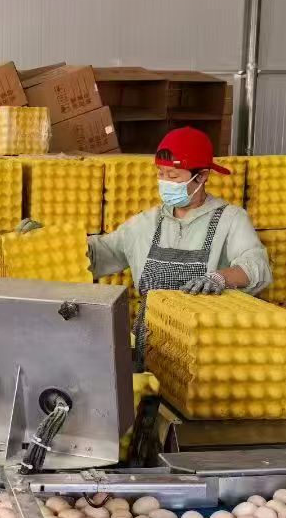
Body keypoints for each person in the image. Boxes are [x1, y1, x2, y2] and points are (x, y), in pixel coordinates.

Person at [85, 127, 271, 366]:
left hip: (204, 352)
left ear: (202, 176)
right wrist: (52, 239)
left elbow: (256, 265)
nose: (164, 182)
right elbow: (100, 253)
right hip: (150, 347)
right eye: (161, 174)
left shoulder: (230, 219)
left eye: (173, 177)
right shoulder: (146, 223)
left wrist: (220, 278)